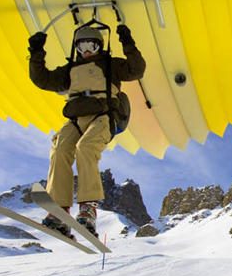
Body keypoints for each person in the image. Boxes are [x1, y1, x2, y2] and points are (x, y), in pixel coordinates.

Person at [27, 23, 146, 237]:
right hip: (76, 117)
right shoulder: (70, 70)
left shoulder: (110, 65)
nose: (86, 51)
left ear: (99, 46)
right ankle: (59, 211)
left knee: (85, 148)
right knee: (60, 149)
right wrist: (36, 53)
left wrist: (127, 42)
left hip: (103, 115)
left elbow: (136, 69)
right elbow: (42, 79)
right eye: (81, 47)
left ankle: (88, 209)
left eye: (91, 45)